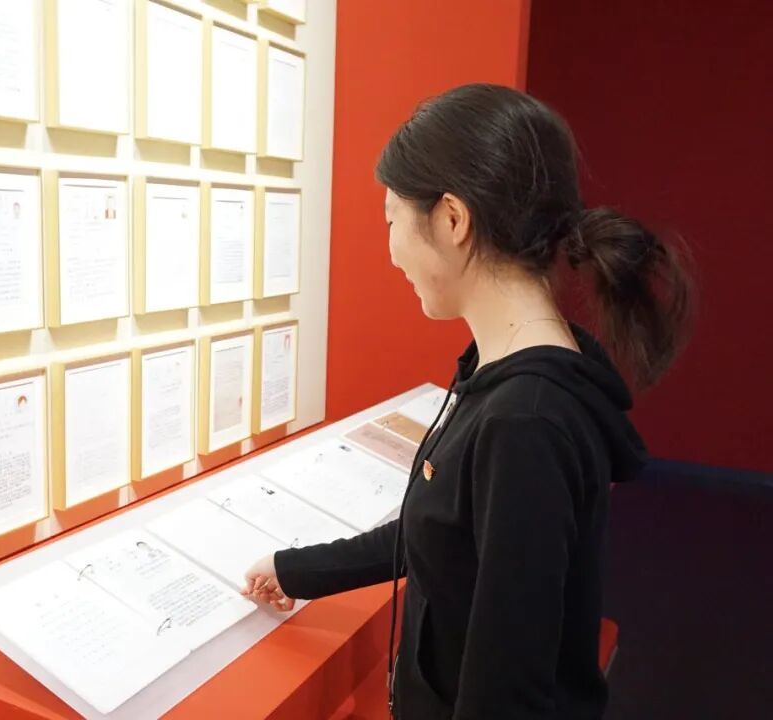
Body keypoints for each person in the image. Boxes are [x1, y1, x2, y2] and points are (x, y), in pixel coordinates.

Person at [243, 83, 692, 719]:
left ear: (452, 219)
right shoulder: (513, 373)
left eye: (392, 219)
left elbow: (506, 693)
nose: (391, 250)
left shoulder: (525, 423)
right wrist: (298, 570)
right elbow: (443, 529)